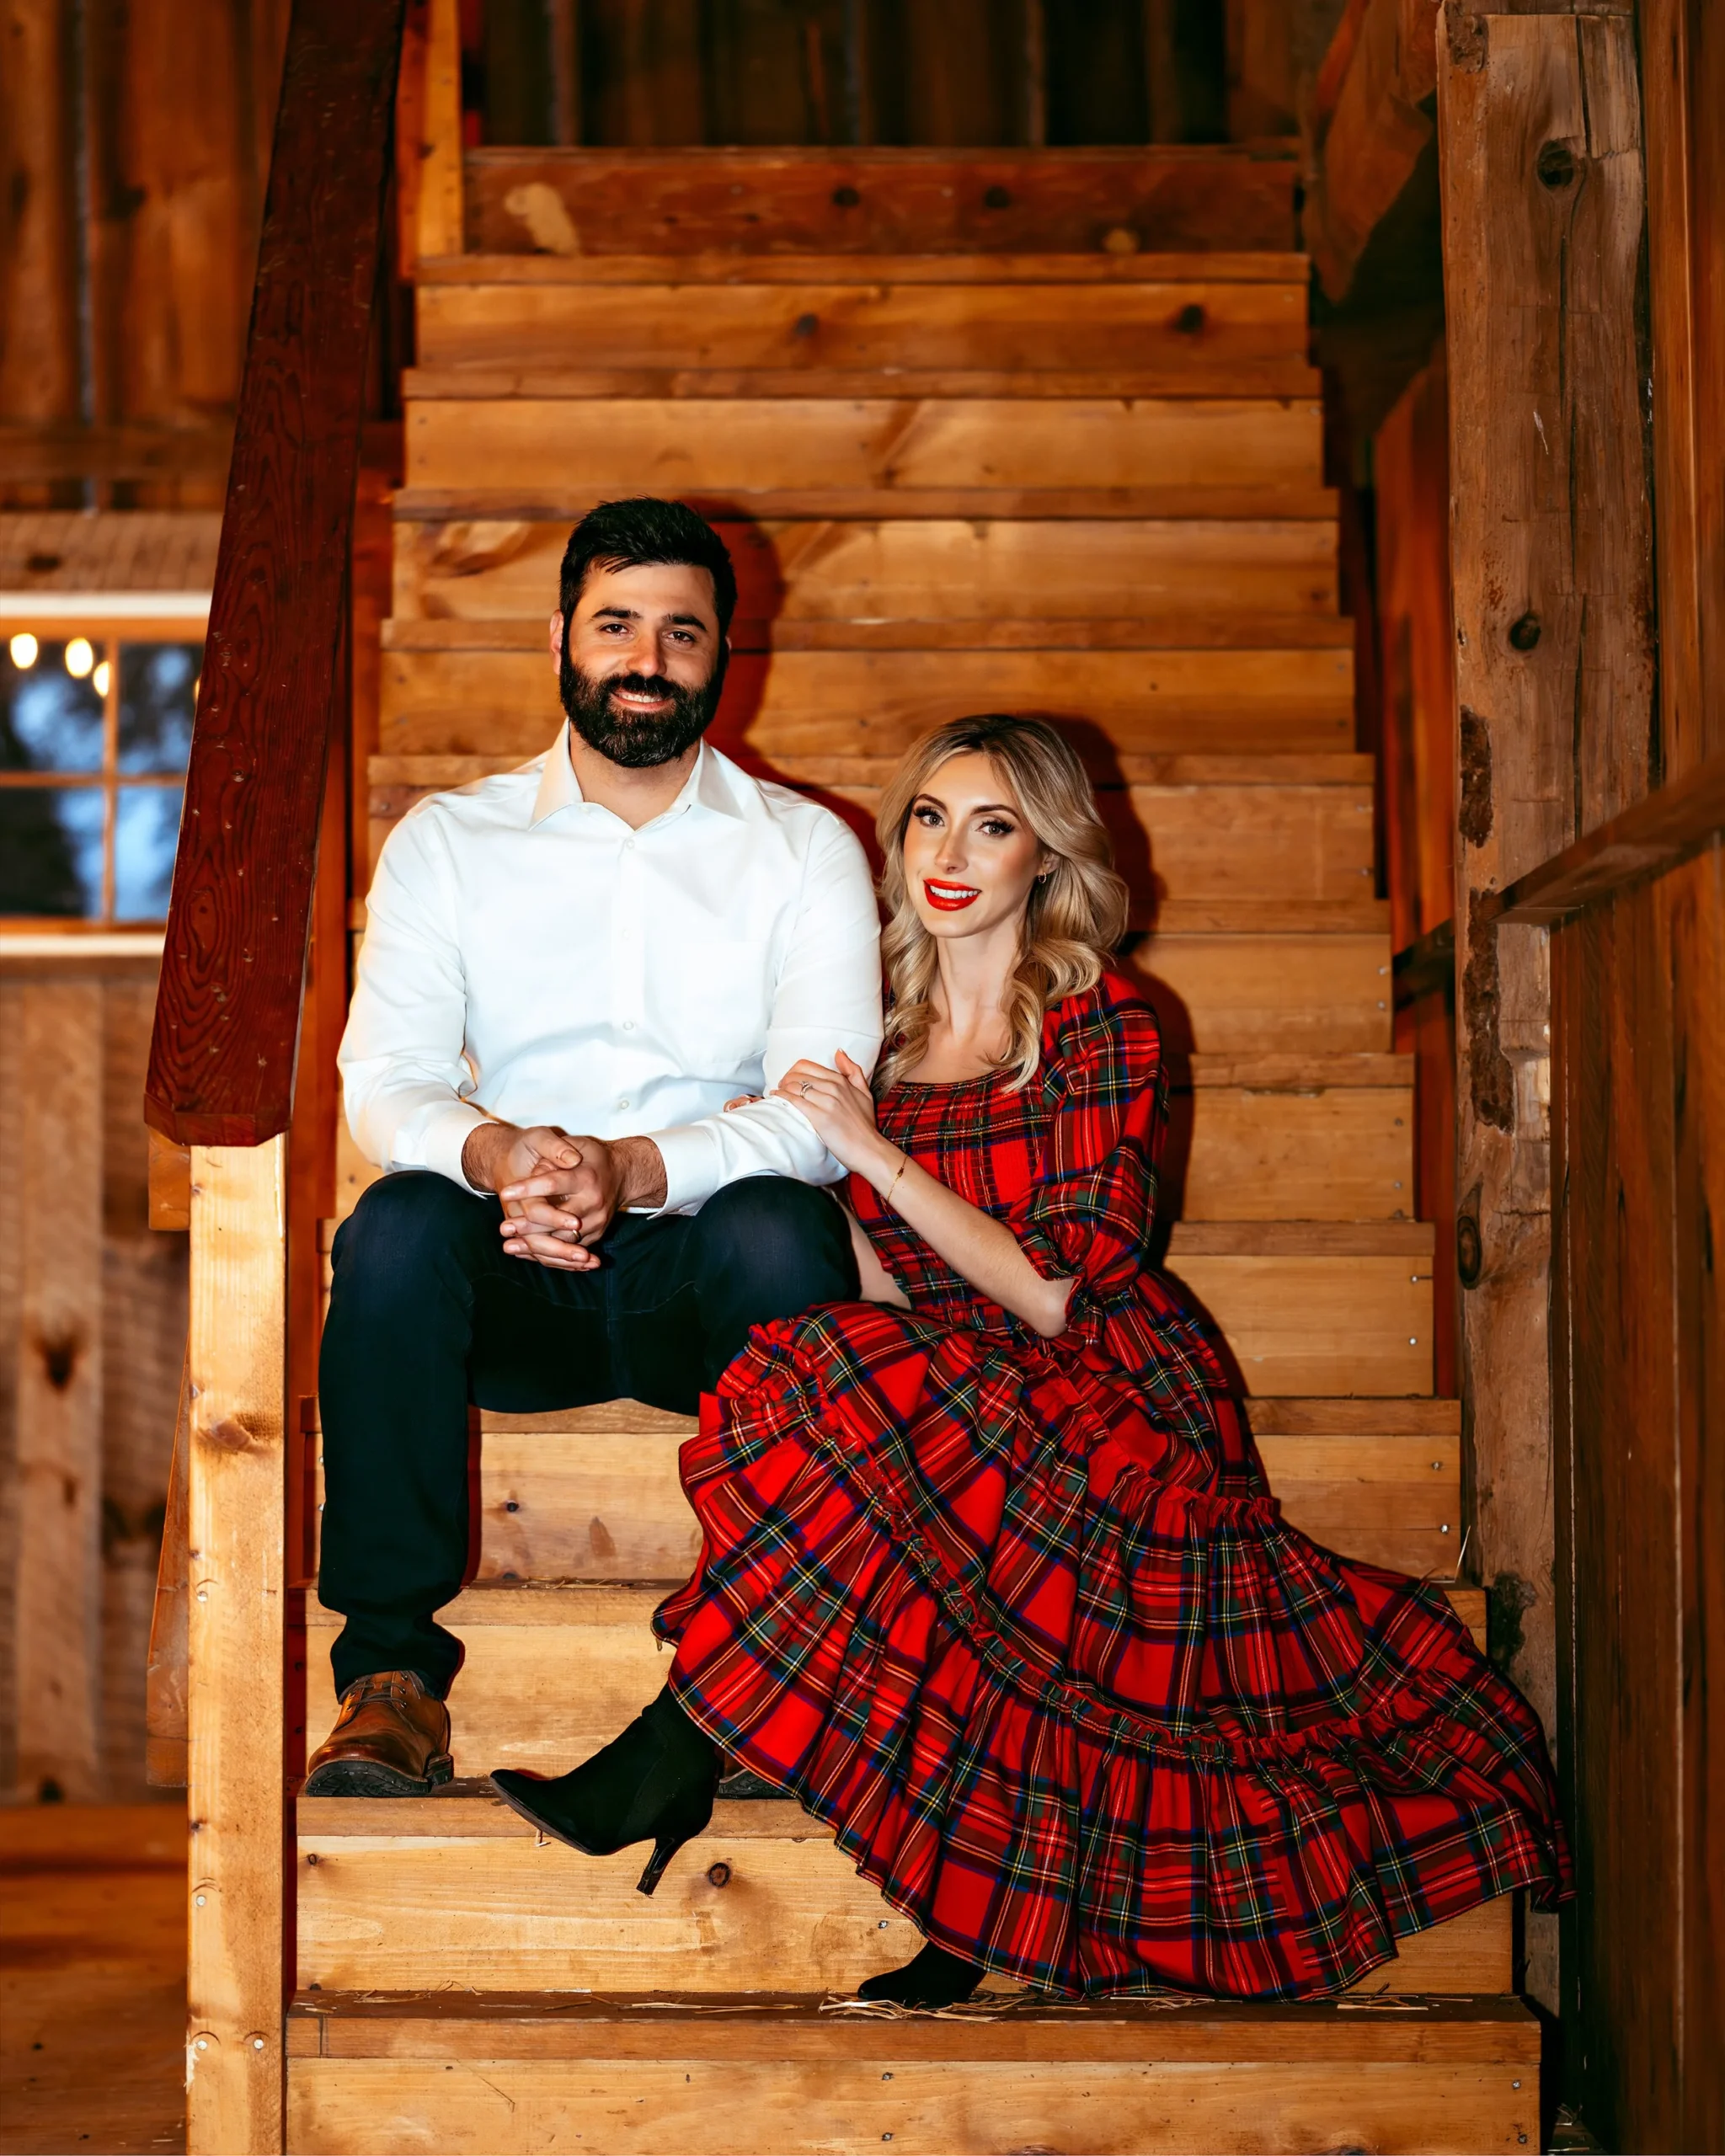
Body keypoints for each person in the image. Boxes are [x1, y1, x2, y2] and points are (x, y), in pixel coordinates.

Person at [489, 712, 1573, 2000]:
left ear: (1044, 856)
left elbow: (1056, 1293)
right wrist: (795, 1193)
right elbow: (896, 1276)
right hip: (962, 1373)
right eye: (929, 820)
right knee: (813, 1365)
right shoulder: (877, 1038)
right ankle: (810, 1816)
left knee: (881, 1400)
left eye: (991, 826)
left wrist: (868, 1149)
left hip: (1110, 1384)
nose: (949, 855)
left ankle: (684, 1756)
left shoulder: (1104, 1023)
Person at [304, 498, 883, 1798]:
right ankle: (389, 1681)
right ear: (560, 634)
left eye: (682, 631)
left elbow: (818, 1112)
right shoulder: (449, 841)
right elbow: (384, 1083)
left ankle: (765, 1675)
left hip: (709, 1287)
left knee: (785, 1222)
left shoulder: (805, 850)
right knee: (394, 1226)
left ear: (726, 651)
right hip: (509, 1275)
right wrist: (504, 1154)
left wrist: (633, 1169)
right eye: (617, 623)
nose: (647, 658)